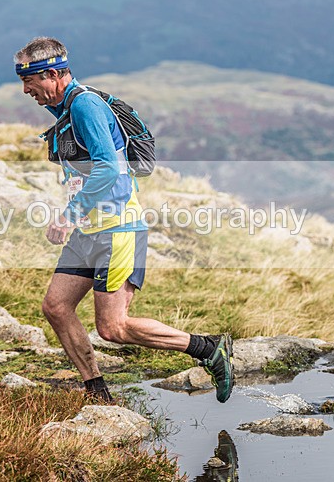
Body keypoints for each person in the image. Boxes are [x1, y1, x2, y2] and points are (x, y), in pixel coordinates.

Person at [14, 36, 233, 403]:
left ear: (52, 73)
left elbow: (108, 169)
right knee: (55, 306)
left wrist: (70, 213)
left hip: (117, 230)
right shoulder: (66, 108)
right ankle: (96, 392)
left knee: (113, 328)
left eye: (29, 81)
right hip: (89, 233)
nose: (25, 90)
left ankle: (208, 350)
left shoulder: (86, 106)